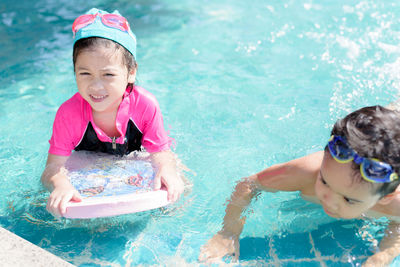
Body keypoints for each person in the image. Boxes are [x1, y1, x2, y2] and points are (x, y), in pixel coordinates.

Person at [199, 105, 400, 266]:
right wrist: (229, 231)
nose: (327, 199)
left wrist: (379, 259)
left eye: (348, 199)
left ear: (386, 197)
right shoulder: (306, 172)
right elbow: (250, 184)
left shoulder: (395, 204)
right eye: (324, 181)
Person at [41, 8, 184, 217]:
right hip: (91, 168)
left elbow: (161, 155)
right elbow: (52, 168)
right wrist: (60, 185)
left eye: (108, 74)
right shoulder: (68, 114)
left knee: (180, 185)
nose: (96, 86)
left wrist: (167, 170)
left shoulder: (145, 105)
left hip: (134, 161)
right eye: (85, 73)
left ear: (131, 73)